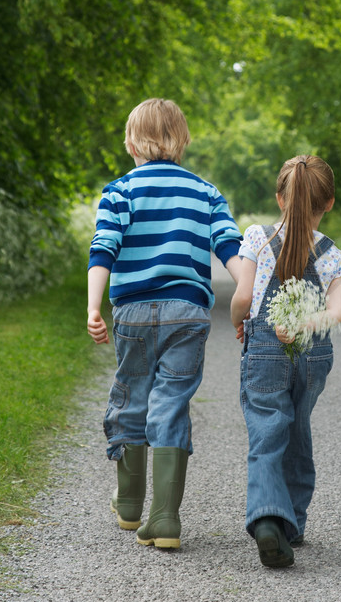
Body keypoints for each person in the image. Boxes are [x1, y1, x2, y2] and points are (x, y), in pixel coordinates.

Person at [87, 98, 242, 550]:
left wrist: (94, 307)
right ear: (183, 140)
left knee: (132, 396)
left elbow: (103, 250)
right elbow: (230, 247)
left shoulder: (119, 191)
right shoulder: (206, 192)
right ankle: (165, 519)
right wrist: (247, 295)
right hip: (189, 312)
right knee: (171, 402)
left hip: (133, 311)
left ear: (132, 142)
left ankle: (129, 503)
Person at [230, 155, 341, 568]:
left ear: (280, 197)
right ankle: (293, 524)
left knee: (267, 431)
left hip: (264, 348)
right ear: (328, 202)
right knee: (298, 426)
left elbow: (244, 298)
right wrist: (303, 324)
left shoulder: (257, 239)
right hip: (312, 353)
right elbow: (335, 313)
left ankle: (268, 518)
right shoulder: (333, 255)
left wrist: (238, 323)